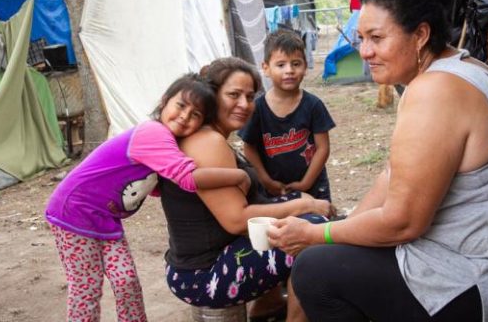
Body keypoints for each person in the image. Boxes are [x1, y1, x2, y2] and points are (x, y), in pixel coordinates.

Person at [267, 0, 488, 321]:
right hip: (482, 268)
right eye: (361, 38)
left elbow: (402, 223)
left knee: (314, 271)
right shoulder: (454, 69)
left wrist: (317, 234)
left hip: (480, 284)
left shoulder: (436, 91)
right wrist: (340, 232)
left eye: (377, 37)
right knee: (330, 251)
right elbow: (391, 177)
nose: (365, 51)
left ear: (420, 35)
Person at [45, 73, 252, 322]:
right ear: (164, 102)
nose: (185, 116)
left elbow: (155, 186)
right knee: (86, 288)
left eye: (196, 114)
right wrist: (237, 176)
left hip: (104, 218)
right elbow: (187, 178)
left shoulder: (168, 143)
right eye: (181, 105)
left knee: (126, 281)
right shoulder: (152, 132)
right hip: (73, 212)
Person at [158, 57, 332, 320]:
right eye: (233, 95)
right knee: (313, 234)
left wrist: (299, 201)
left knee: (296, 205)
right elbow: (237, 220)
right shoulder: (207, 142)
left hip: (211, 258)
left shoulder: (212, 137)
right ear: (212, 96)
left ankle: (269, 305)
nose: (244, 104)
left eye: (250, 97)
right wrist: (306, 206)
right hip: (204, 274)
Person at [239, 29, 336, 201]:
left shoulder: (313, 105)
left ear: (305, 67)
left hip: (313, 187)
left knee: (318, 223)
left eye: (296, 64)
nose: (289, 70)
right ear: (266, 68)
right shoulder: (257, 109)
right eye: (281, 64)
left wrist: (305, 183)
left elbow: (323, 148)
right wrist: (265, 180)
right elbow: (249, 148)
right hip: (272, 190)